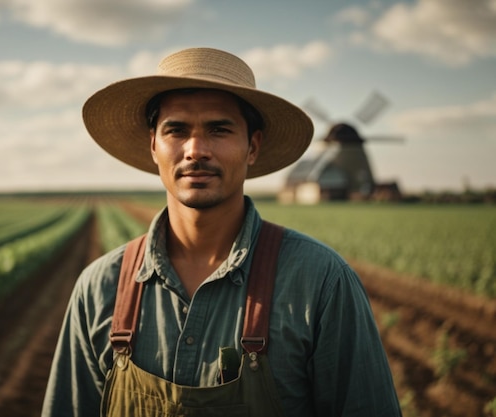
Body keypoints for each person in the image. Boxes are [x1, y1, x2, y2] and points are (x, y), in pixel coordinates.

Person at [42, 47, 401, 417]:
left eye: (219, 129)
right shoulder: (99, 288)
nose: (196, 150)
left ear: (253, 146)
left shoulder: (321, 282)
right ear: (153, 145)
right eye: (176, 130)